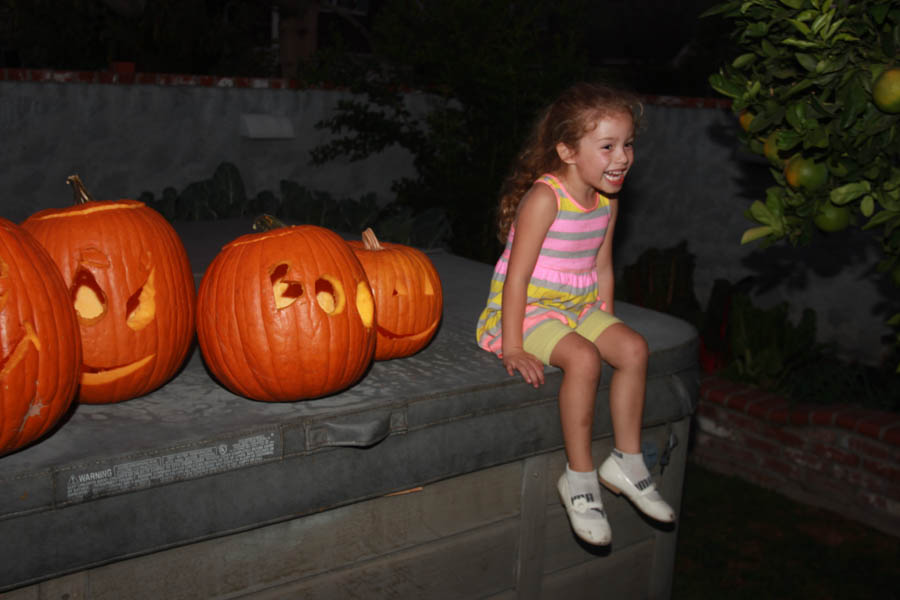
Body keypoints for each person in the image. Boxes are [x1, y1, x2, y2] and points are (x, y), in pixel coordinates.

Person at [475, 82, 675, 545]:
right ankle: (580, 479)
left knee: (633, 347)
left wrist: (606, 322)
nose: (622, 157)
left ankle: (626, 461)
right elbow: (516, 279)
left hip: (577, 306)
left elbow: (602, 267)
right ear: (566, 150)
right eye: (607, 146)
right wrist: (512, 345)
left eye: (627, 144)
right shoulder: (546, 199)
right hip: (526, 309)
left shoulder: (607, 202)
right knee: (583, 359)